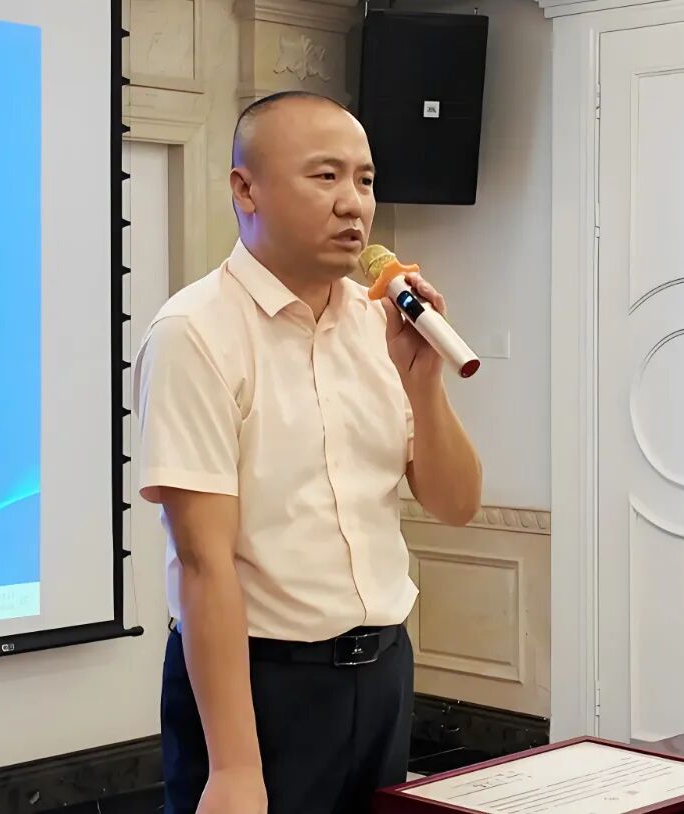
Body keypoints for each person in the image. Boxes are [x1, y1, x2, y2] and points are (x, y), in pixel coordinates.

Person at [133, 90, 482, 814]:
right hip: (260, 682)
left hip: (382, 671)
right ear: (246, 189)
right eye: (326, 176)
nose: (354, 203)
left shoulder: (378, 323)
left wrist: (423, 384)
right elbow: (203, 562)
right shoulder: (196, 333)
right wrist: (235, 768)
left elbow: (456, 504)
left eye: (365, 179)